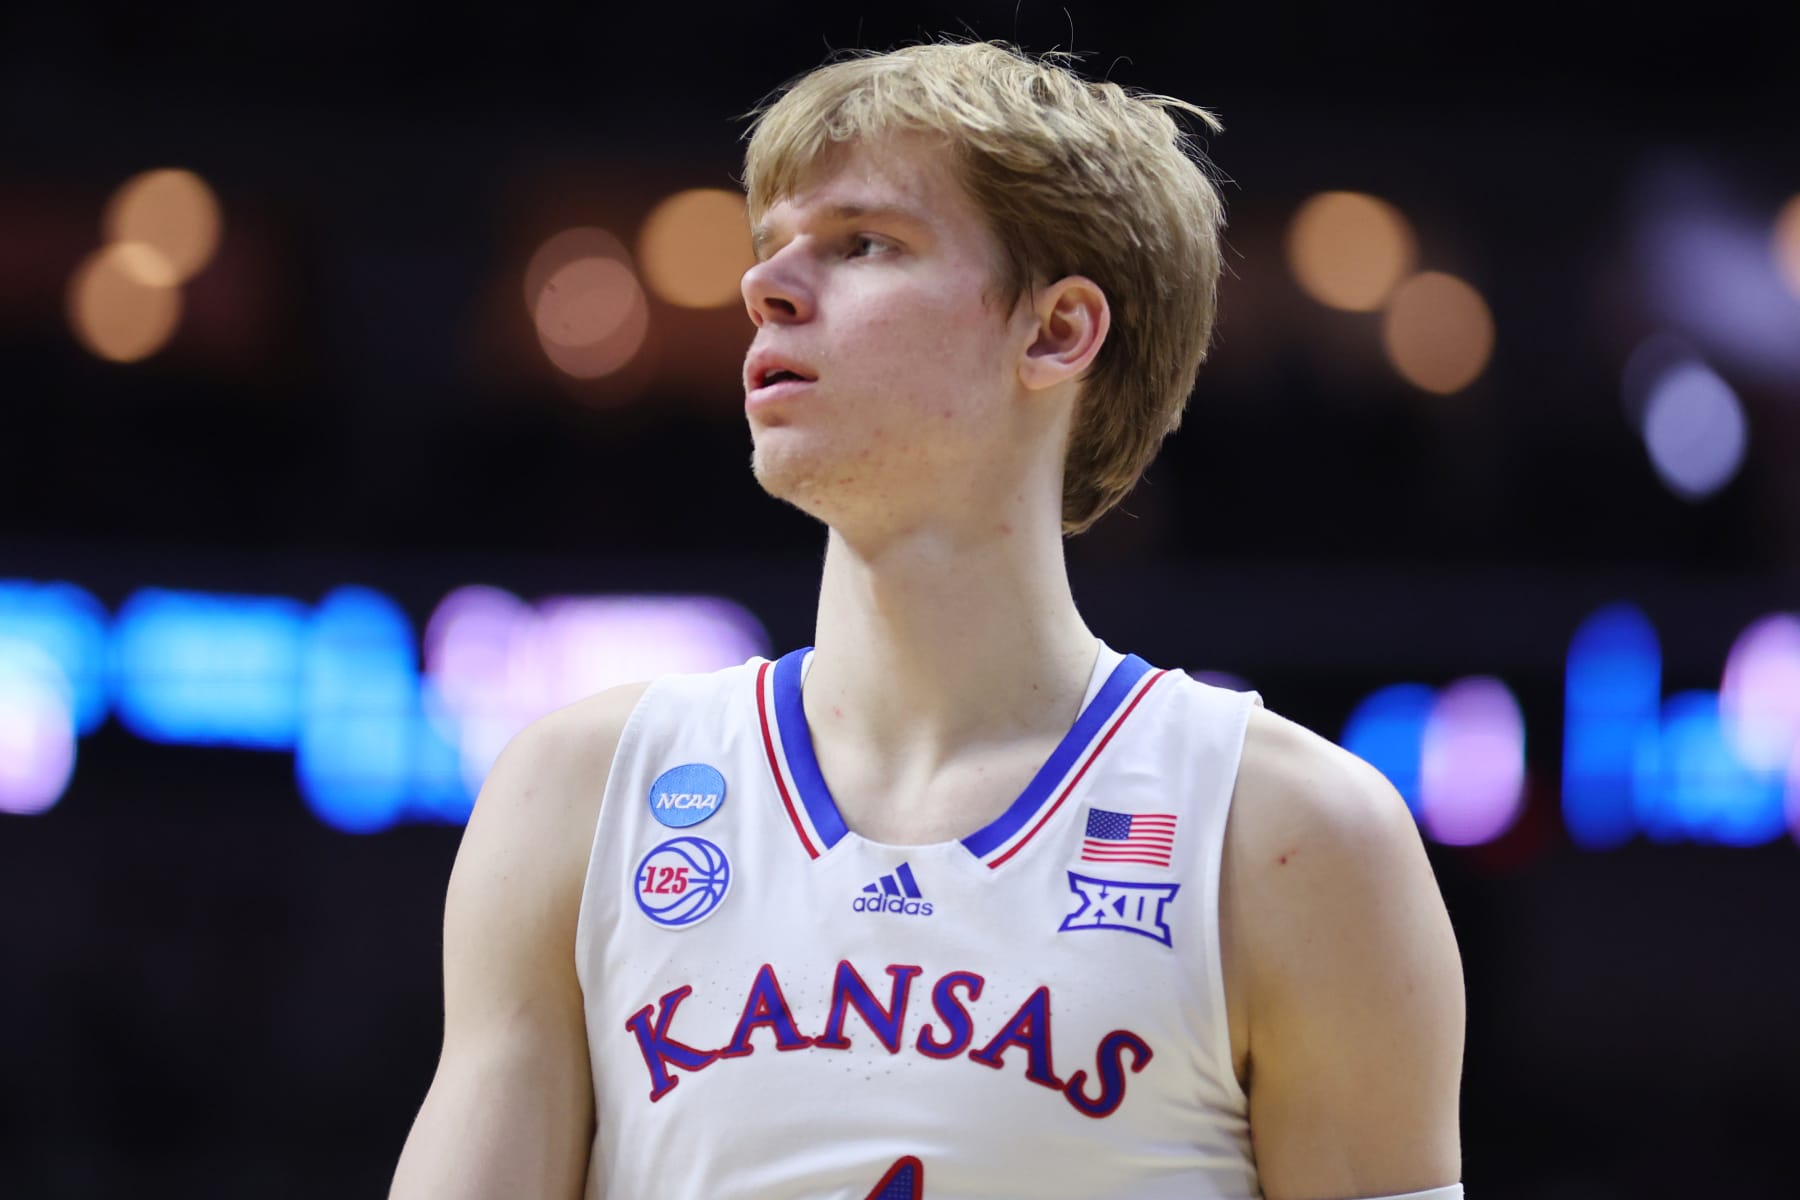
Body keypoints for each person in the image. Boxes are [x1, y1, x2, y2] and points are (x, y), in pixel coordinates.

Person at [390, 40, 1465, 1200]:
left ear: (1055, 332)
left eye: (863, 243)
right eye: (772, 248)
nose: (765, 286)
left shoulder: (1289, 834)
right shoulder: (578, 792)